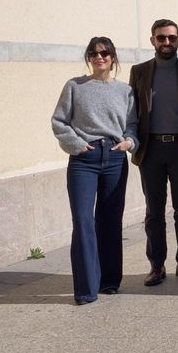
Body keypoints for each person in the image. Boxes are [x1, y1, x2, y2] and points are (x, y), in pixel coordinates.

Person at [51, 37, 138, 304]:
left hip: (113, 158)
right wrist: (77, 145)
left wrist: (129, 142)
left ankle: (109, 281)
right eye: (94, 53)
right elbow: (59, 121)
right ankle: (86, 289)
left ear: (113, 58)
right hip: (83, 160)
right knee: (83, 221)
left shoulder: (125, 91)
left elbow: (133, 124)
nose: (99, 57)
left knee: (110, 221)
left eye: (105, 53)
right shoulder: (75, 86)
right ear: (89, 57)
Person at [129, 19, 178, 286]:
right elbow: (133, 111)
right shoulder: (139, 71)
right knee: (154, 212)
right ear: (153, 41)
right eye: (161, 38)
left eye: (172, 38)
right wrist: (133, 143)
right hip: (151, 150)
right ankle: (156, 265)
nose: (167, 43)